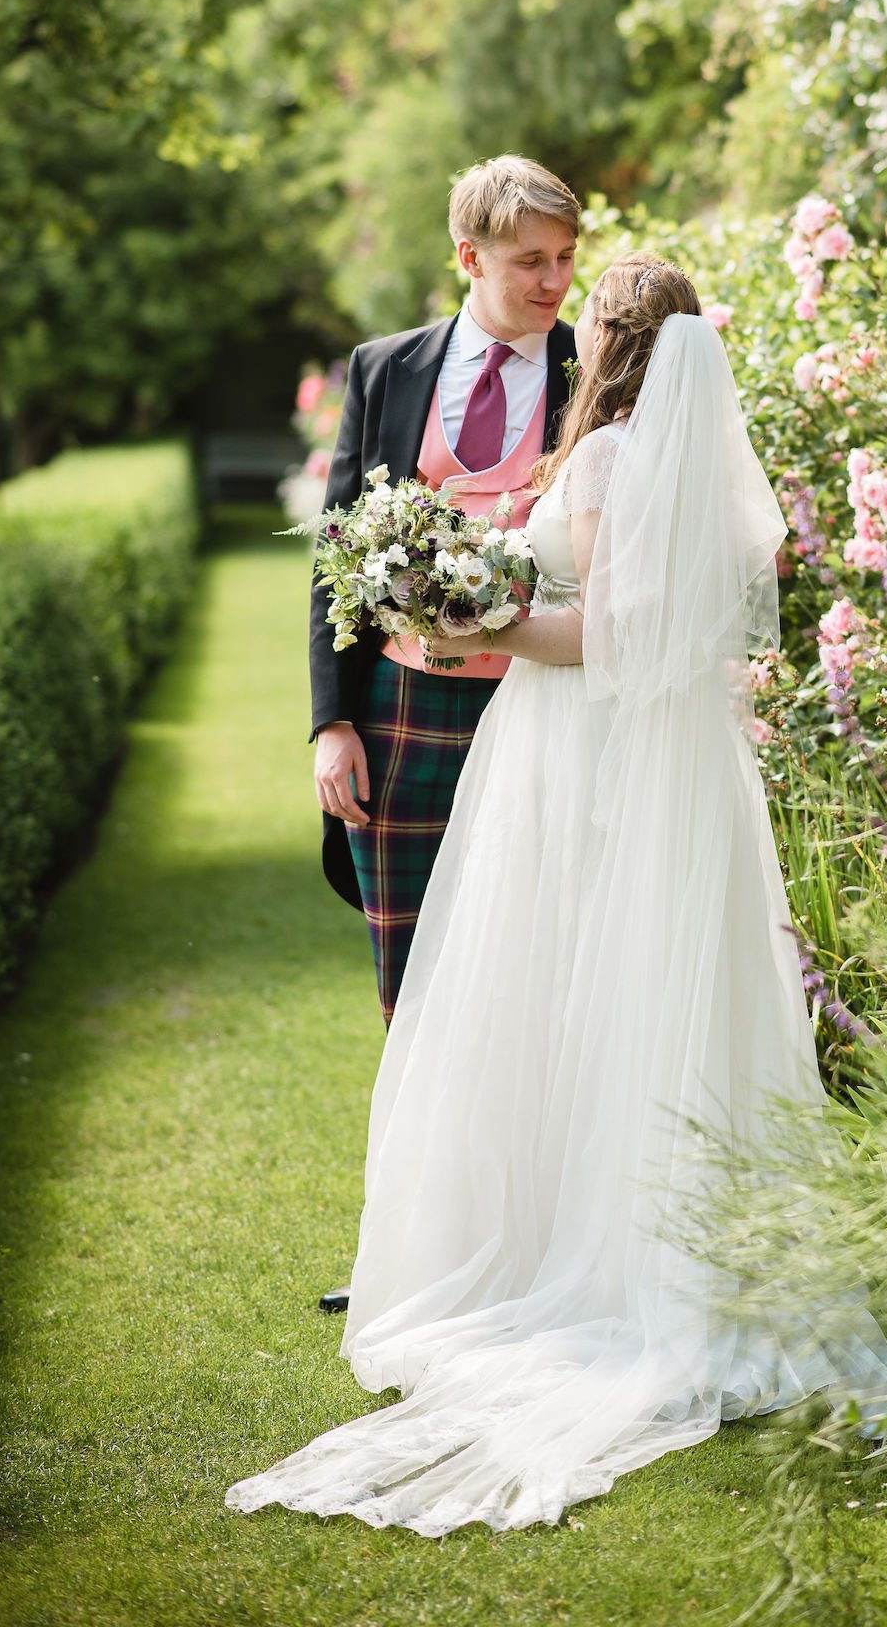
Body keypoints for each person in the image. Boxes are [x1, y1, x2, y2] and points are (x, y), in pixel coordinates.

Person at [228, 255, 887, 1536]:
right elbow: (684, 625)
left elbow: (596, 632)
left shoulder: (601, 462)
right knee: (667, 993)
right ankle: (682, 1248)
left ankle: (566, 1261)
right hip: (687, 765)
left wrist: (467, 617)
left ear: (613, 337)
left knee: (560, 979)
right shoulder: (706, 469)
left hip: (582, 746)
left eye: (590, 314)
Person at [309, 154, 578, 1311]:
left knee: (536, 963)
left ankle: (535, 1243)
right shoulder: (385, 370)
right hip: (403, 713)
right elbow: (337, 552)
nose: (555, 282)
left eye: (567, 259)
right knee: (410, 973)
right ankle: (416, 1257)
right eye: (531, 261)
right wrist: (330, 722)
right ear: (468, 258)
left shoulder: (595, 369)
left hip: (545, 704)